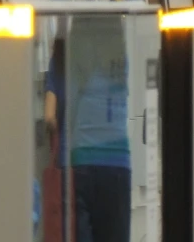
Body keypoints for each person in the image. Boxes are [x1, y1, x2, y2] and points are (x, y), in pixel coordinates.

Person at [45, 15, 131, 242]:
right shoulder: (122, 61)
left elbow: (50, 116)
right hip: (118, 164)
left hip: (78, 163)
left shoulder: (68, 59)